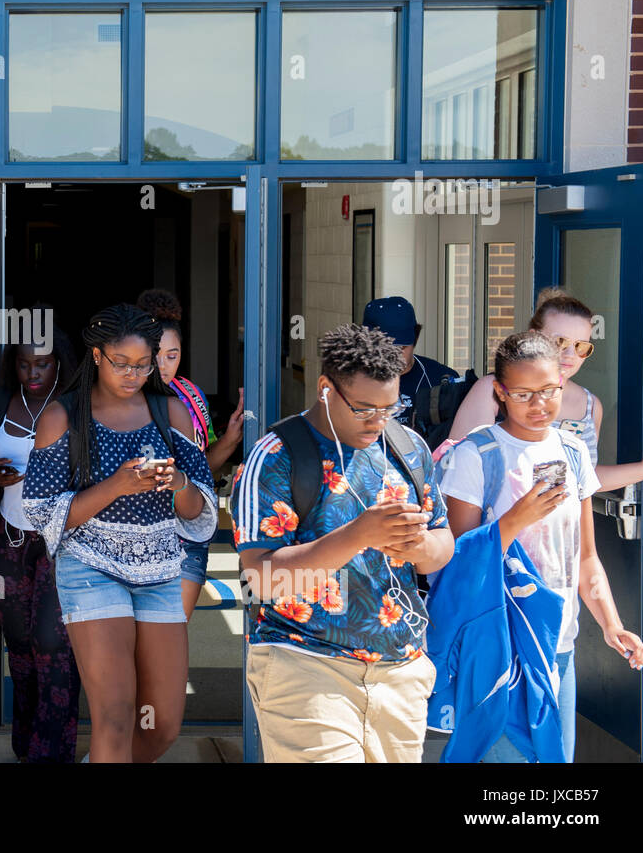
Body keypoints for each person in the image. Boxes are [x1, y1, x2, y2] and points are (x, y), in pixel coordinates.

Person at [232, 323, 453, 763]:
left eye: (391, 407)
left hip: (399, 669)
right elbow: (260, 580)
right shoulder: (278, 455)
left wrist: (416, 546)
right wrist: (358, 535)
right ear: (325, 389)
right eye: (364, 408)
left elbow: (443, 544)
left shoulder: (408, 448)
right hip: (305, 662)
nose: (379, 420)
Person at [435, 330, 643, 762]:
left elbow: (586, 558)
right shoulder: (477, 455)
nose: (539, 405)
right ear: (500, 392)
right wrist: (515, 520)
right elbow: (452, 562)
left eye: (549, 391)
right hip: (499, 645)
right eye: (524, 394)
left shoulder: (572, 452)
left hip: (560, 642)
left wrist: (611, 624)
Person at [22, 304, 217, 763]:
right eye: (122, 364)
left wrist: (178, 483)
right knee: (114, 715)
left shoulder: (171, 412)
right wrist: (119, 485)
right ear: (95, 356)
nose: (134, 374)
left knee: (163, 724)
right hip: (91, 567)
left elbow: (200, 511)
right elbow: (41, 511)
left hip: (163, 571)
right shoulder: (62, 416)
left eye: (144, 364)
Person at [0, 321, 82, 762]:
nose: (32, 372)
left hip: (61, 542)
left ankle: (51, 752)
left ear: (59, 361)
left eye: (42, 363)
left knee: (53, 645)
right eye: (24, 364)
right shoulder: (0, 400)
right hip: (8, 536)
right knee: (18, 644)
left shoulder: (76, 407)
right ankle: (27, 746)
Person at [449, 287, 643, 492]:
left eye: (582, 346)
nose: (570, 354)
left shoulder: (590, 405)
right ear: (533, 336)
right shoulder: (492, 390)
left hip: (561, 522)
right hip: (500, 520)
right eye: (560, 341)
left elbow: (583, 477)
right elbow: (458, 466)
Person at [137, 288, 245, 618]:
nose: (163, 365)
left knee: (172, 632)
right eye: (155, 354)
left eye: (173, 355)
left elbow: (202, 469)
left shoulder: (191, 395)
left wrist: (230, 438)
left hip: (188, 535)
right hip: (137, 533)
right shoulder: (122, 399)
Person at [362, 296, 458, 429]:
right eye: (385, 347)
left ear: (415, 337)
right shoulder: (352, 381)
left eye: (401, 347)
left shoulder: (441, 378)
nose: (393, 355)